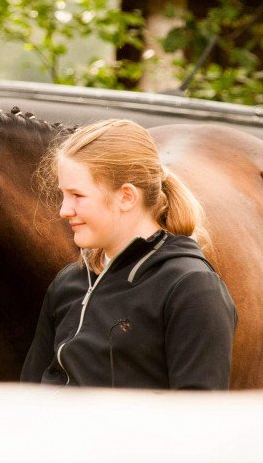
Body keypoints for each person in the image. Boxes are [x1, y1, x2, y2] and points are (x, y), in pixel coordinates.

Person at [21, 119, 237, 389]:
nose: (64, 210)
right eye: (63, 195)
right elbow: (28, 400)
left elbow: (197, 420)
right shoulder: (68, 282)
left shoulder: (192, 288)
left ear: (126, 197)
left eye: (77, 195)